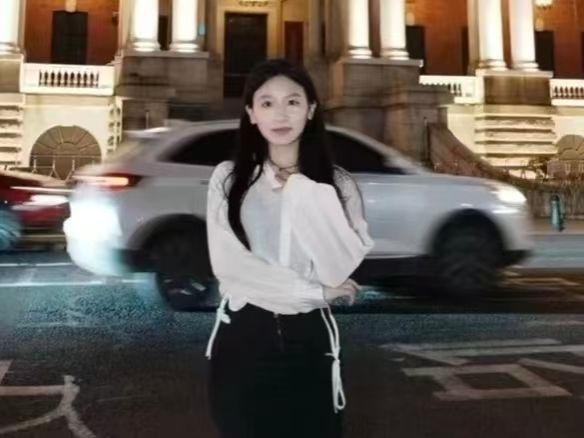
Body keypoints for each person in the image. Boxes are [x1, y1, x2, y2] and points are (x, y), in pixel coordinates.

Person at [205, 58, 374, 438]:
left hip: (309, 339)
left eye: (293, 102)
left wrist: (303, 191)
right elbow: (231, 266)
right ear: (251, 114)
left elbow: (338, 264)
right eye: (267, 103)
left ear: (311, 110)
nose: (280, 114)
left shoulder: (339, 185)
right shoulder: (229, 180)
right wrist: (312, 293)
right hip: (244, 335)